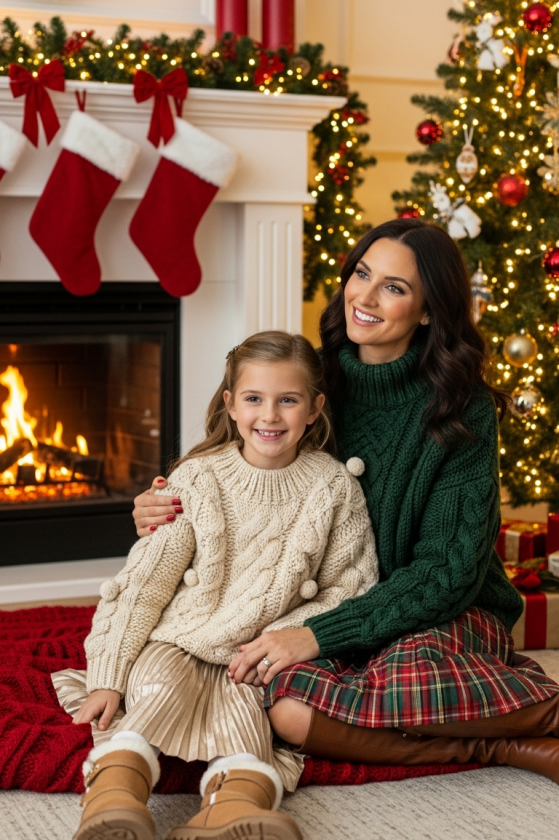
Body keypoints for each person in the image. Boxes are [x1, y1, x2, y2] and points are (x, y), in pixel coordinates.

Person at [134, 219, 559, 786]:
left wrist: (315, 637)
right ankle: (498, 745)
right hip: (333, 604)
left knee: (408, 672)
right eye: (362, 274)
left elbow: (446, 572)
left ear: (429, 310)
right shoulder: (314, 379)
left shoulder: (462, 408)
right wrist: (166, 503)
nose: (366, 295)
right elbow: (234, 464)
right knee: (282, 707)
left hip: (442, 611)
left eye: (395, 287)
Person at [53, 331, 377, 840]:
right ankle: (112, 799)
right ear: (229, 402)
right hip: (181, 637)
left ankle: (232, 817)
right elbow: (145, 584)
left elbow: (349, 587)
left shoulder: (332, 487)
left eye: (288, 400)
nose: (269, 415)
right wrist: (107, 675)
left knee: (248, 724)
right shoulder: (198, 479)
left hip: (255, 656)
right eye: (253, 398)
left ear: (315, 407)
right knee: (148, 695)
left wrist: (286, 633)